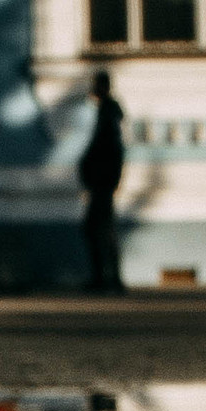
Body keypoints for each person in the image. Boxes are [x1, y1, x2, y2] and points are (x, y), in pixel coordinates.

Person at [78, 66, 126, 292]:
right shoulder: (106, 113)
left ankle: (107, 279)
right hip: (102, 180)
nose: (93, 89)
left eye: (96, 85)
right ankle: (107, 278)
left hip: (102, 181)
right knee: (99, 229)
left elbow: (111, 149)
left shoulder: (109, 114)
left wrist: (103, 175)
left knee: (100, 230)